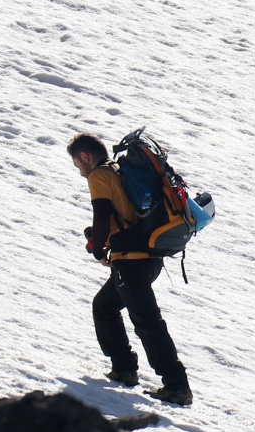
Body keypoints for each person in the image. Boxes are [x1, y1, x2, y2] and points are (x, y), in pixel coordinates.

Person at [67, 133, 191, 405]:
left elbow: (101, 216)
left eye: (78, 165)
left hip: (131, 261)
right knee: (104, 306)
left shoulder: (99, 176)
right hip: (149, 258)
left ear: (85, 157)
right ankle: (124, 368)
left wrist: (99, 250)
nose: (80, 172)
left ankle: (177, 385)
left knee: (148, 321)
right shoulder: (120, 170)